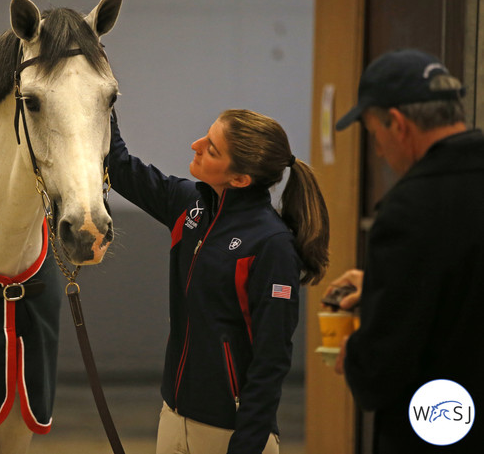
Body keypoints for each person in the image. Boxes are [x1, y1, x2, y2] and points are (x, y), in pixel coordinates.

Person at [108, 107, 330, 454]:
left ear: (240, 179)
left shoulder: (271, 245)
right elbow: (119, 167)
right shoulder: (189, 205)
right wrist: (102, 95)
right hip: (173, 416)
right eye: (205, 136)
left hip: (232, 434)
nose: (195, 145)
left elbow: (272, 358)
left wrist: (247, 442)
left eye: (211, 148)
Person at [326, 48, 483, 452]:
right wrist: (381, 283)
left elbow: (383, 366)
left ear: (396, 123)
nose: (378, 150)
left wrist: (353, 355)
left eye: (373, 133)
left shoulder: (409, 209)